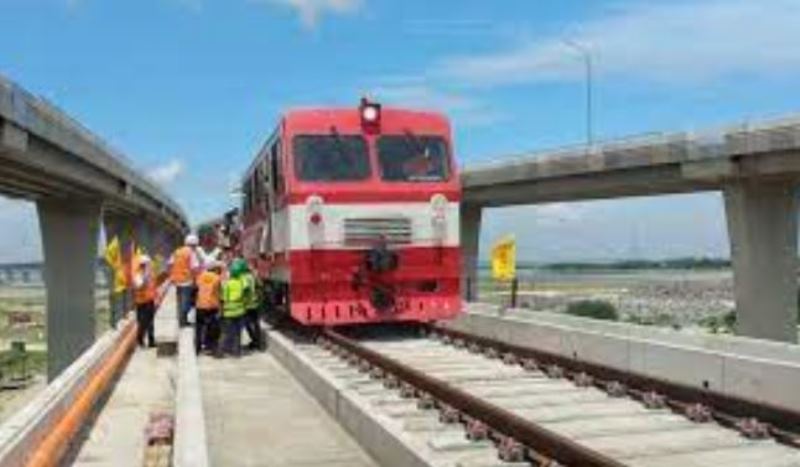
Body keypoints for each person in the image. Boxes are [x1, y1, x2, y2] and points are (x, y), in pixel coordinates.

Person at [220, 259, 251, 357]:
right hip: (240, 312)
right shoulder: (241, 283)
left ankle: (220, 351)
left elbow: (223, 298)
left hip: (228, 313)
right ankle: (237, 353)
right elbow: (246, 296)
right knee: (238, 333)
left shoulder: (227, 284)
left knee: (226, 333)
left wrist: (221, 310)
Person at [169, 234, 200, 327]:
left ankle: (182, 320)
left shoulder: (177, 251)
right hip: (187, 281)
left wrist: (172, 275)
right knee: (186, 302)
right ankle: (183, 321)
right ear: (193, 244)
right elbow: (194, 267)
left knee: (180, 302)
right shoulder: (191, 253)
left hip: (177, 281)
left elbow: (170, 263)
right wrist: (195, 280)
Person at [195, 261, 222, 355]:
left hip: (200, 305)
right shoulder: (217, 278)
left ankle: (197, 348)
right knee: (213, 328)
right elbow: (219, 292)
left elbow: (196, 288)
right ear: (215, 269)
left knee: (199, 328)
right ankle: (212, 348)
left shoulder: (200, 276)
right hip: (212, 306)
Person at [133, 255, 157, 348]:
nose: (149, 266)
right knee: (143, 322)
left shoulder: (150, 274)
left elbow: (153, 286)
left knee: (150, 322)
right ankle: (140, 339)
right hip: (141, 301)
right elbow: (139, 285)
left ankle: (151, 341)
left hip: (149, 300)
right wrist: (144, 278)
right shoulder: (138, 274)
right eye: (148, 264)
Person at [241, 263, 263, 351]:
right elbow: (260, 286)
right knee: (256, 323)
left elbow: (245, 290)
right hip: (255, 303)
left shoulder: (244, 278)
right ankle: (258, 342)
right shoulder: (254, 276)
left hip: (247, 304)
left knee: (247, 323)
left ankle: (255, 342)